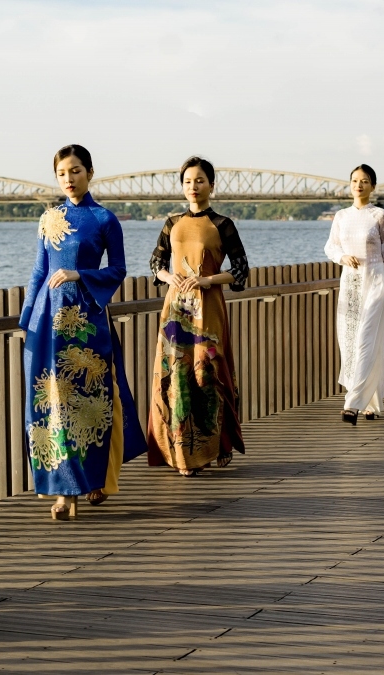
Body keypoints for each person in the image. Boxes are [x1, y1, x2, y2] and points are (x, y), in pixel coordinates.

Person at [20, 144, 147, 519]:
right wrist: (27, 320)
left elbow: (119, 270)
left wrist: (80, 274)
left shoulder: (105, 219)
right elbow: (39, 272)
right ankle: (64, 493)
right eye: (62, 173)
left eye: (75, 171)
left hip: (88, 319)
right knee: (53, 402)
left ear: (90, 172)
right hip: (48, 322)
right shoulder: (49, 219)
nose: (68, 179)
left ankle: (95, 479)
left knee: (92, 400)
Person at [146, 157, 249, 475]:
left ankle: (215, 446)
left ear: (211, 185)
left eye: (200, 180)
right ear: (182, 186)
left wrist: (207, 280)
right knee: (177, 376)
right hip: (176, 308)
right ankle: (182, 456)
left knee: (207, 376)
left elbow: (242, 271)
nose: (194, 186)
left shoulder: (222, 224)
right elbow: (155, 263)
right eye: (188, 181)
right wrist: (168, 278)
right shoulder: (172, 223)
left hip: (209, 310)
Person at [325, 164, 384, 423]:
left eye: (364, 181)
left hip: (376, 280)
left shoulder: (380, 216)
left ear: (373, 186)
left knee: (367, 337)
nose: (359, 185)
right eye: (355, 180)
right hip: (351, 283)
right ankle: (370, 402)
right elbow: (330, 247)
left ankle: (352, 404)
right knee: (351, 342)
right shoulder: (341, 216)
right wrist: (343, 257)